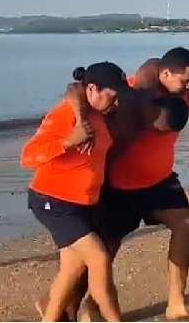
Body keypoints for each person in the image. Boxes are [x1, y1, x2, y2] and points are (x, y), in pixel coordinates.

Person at [58, 47, 189, 321]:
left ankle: (176, 304)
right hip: (119, 185)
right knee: (104, 251)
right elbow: (75, 88)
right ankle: (81, 309)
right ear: (164, 73)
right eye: (184, 80)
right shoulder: (127, 93)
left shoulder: (182, 92)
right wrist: (81, 119)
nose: (188, 86)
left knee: (186, 224)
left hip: (159, 182)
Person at [20, 62, 130, 322]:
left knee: (71, 269)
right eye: (112, 97)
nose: (116, 103)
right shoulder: (64, 116)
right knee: (99, 258)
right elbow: (27, 156)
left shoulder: (93, 112)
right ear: (92, 89)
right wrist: (68, 141)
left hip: (82, 204)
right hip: (53, 201)